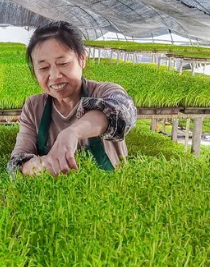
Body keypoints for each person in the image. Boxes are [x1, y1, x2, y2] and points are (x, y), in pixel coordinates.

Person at [8, 22, 137, 176]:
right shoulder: (34, 107)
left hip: (111, 190)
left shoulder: (104, 91)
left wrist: (73, 132)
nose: (55, 76)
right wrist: (35, 166)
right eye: (43, 68)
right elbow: (16, 163)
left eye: (63, 63)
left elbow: (123, 112)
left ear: (82, 59)